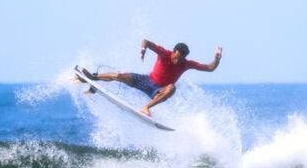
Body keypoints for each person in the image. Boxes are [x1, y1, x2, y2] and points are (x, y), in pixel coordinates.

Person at [82, 39, 222, 116]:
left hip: (158, 90)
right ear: (173, 52)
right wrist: (143, 51)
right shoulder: (164, 53)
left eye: (180, 59)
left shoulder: (186, 64)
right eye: (176, 57)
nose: (176, 61)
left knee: (172, 88)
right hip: (145, 80)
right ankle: (94, 78)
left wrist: (217, 58)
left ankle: (146, 108)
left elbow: (210, 68)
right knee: (119, 75)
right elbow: (146, 42)